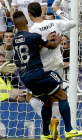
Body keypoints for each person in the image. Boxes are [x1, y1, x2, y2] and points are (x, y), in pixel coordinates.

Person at [12, 11, 82, 140]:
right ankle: (69, 130)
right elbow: (52, 45)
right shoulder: (33, 36)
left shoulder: (15, 39)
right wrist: (56, 39)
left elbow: (18, 58)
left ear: (15, 25)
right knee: (62, 96)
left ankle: (45, 133)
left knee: (47, 101)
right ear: (27, 22)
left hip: (25, 78)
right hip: (39, 74)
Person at [26, 3, 76, 140]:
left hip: (41, 69)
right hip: (57, 66)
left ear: (29, 14)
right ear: (42, 11)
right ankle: (57, 127)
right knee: (58, 97)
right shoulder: (55, 23)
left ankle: (49, 128)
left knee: (32, 97)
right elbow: (73, 22)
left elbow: (33, 51)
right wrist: (58, 10)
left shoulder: (32, 31)